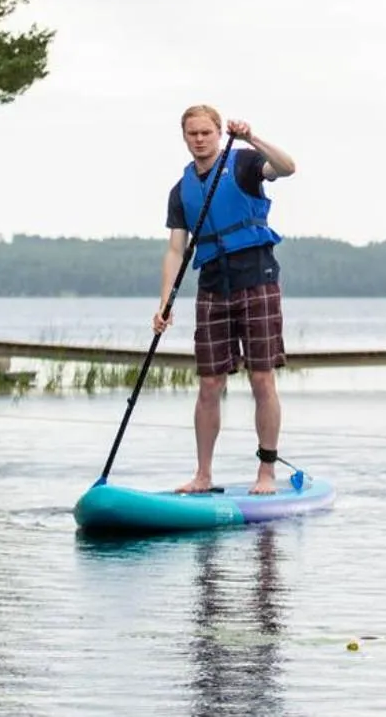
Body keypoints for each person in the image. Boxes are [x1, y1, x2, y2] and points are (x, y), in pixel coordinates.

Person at [153, 105, 298, 495]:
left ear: (218, 133)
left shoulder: (244, 164)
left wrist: (252, 136)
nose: (199, 140)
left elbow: (287, 168)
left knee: (261, 377)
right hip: (214, 283)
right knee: (209, 383)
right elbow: (175, 250)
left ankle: (266, 473)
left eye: (206, 133)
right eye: (192, 134)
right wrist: (165, 302)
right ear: (184, 137)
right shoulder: (180, 190)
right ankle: (203, 474)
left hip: (257, 277)